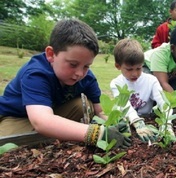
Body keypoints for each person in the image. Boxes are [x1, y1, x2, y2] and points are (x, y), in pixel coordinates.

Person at [0, 19, 131, 149]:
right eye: (73, 64)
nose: (80, 73)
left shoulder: (87, 77)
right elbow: (41, 121)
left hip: (50, 112)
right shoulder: (36, 74)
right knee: (11, 146)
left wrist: (115, 124)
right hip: (15, 118)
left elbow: (100, 110)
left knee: (82, 105)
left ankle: (61, 132)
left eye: (86, 66)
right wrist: (97, 133)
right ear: (51, 54)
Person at [110, 38, 174, 142]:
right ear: (118, 66)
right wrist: (137, 122)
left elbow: (163, 102)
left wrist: (167, 123)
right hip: (127, 124)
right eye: (129, 69)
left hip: (148, 120)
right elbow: (125, 106)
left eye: (138, 68)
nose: (134, 74)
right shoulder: (116, 84)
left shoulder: (151, 80)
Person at [151, 0, 176, 84]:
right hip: (163, 63)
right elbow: (155, 44)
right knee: (162, 85)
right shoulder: (162, 28)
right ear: (170, 11)